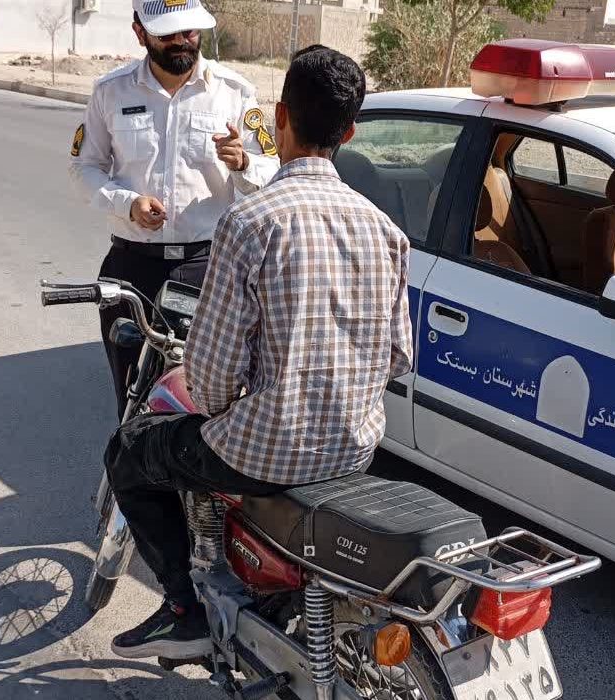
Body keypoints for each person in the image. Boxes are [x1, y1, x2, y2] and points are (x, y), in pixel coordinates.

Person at [103, 45, 413, 660]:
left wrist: (227, 399)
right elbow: (399, 357)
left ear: (279, 117)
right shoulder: (386, 230)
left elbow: (214, 381)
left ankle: (184, 611)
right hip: (355, 441)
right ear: (349, 132)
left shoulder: (251, 221)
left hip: (266, 449)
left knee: (132, 451)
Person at [69, 0, 279, 419]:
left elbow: (270, 167)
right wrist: (128, 205)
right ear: (139, 32)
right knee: (130, 391)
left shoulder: (234, 92)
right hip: (132, 266)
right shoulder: (111, 92)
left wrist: (242, 163)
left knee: (202, 394)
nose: (183, 42)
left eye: (191, 32)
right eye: (169, 34)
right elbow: (84, 168)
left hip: (206, 269)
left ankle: (186, 482)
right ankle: (132, 483)